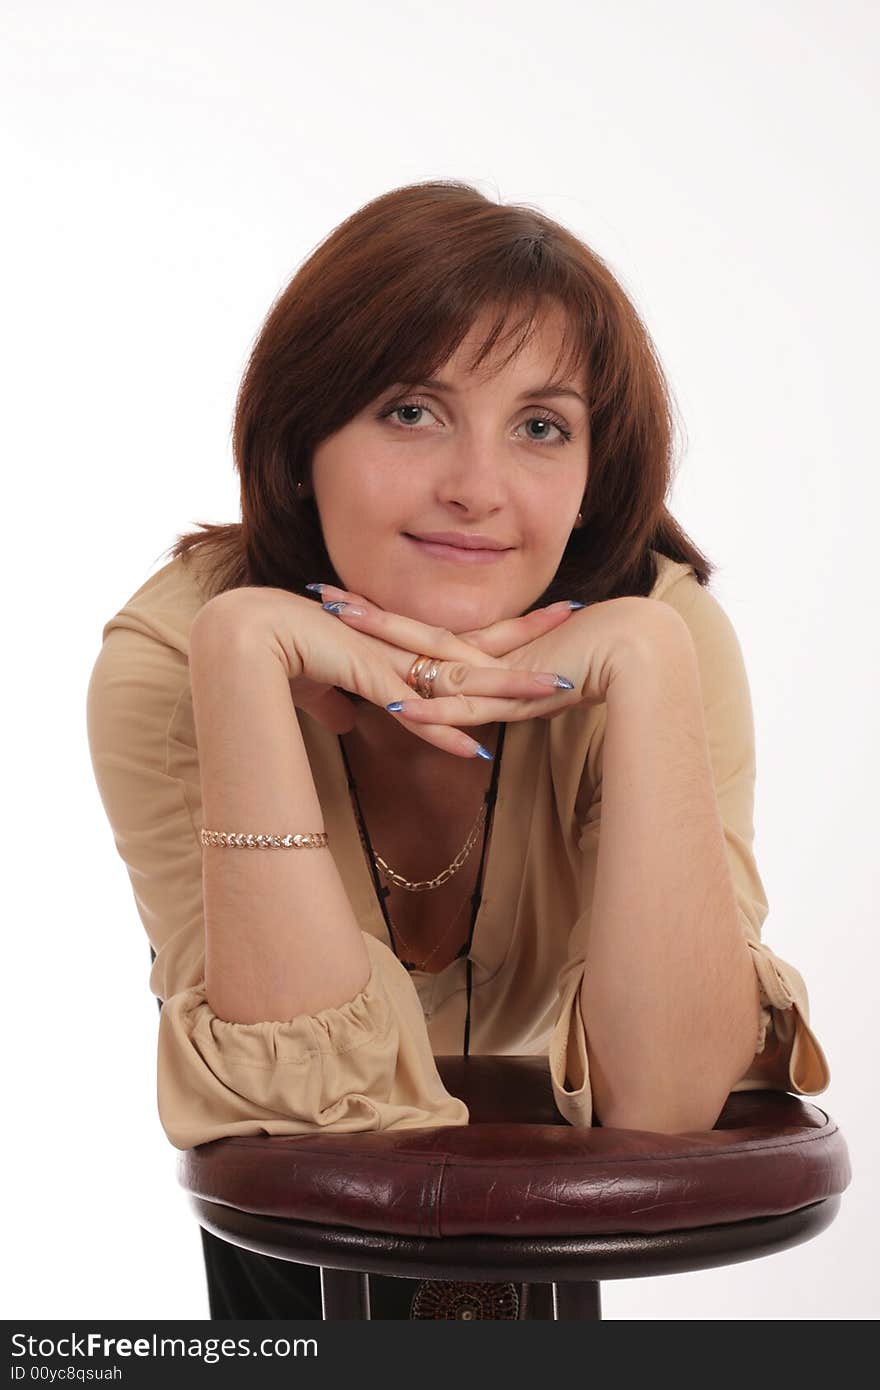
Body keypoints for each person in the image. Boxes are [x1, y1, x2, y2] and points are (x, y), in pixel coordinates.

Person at [85, 179, 832, 1319]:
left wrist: (642, 659)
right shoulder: (175, 656)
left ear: (591, 481)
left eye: (540, 426)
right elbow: (307, 1109)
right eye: (409, 411)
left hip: (536, 1167)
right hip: (289, 1177)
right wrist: (240, 658)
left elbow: (669, 1095)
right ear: (299, 446)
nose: (475, 490)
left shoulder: (660, 638)